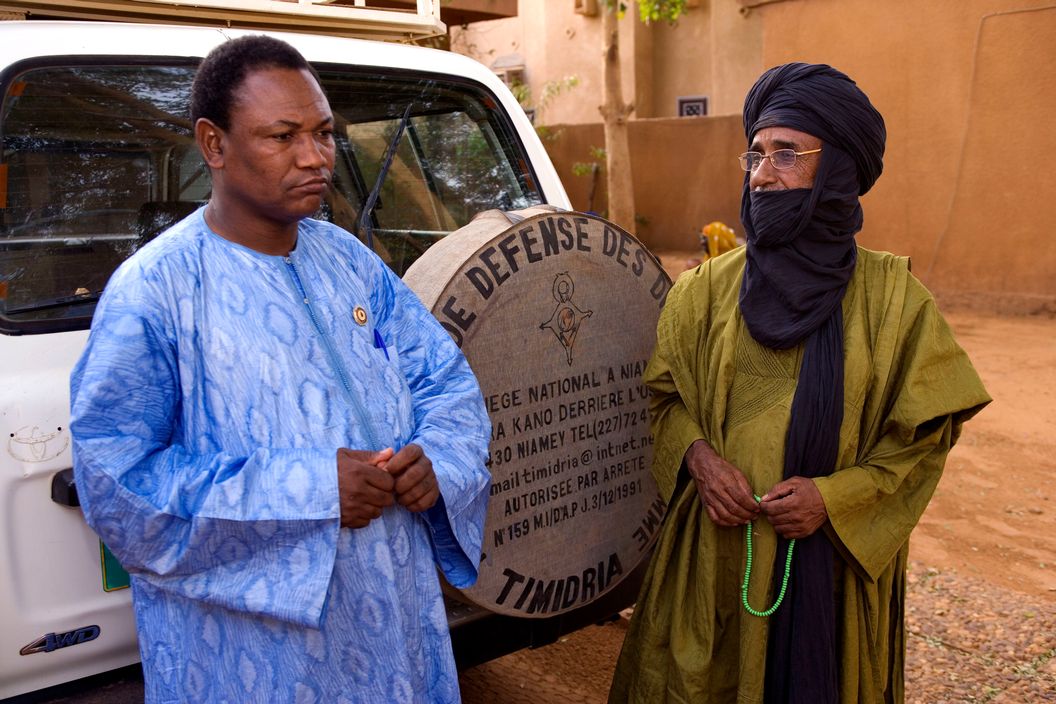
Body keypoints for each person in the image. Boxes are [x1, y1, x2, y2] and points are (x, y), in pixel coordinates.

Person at [70, 36, 491, 703]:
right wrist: (311, 489)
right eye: (282, 136)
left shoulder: (350, 262)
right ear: (214, 145)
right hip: (252, 660)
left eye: (323, 133)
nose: (314, 157)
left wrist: (437, 456)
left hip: (394, 627)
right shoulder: (155, 291)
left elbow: (445, 382)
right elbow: (117, 483)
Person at [608, 63, 990, 704]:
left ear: (837, 168)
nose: (761, 175)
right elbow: (665, 397)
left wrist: (835, 499)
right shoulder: (705, 292)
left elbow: (923, 436)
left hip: (831, 574)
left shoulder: (896, 302)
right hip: (714, 558)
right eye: (755, 154)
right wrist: (699, 461)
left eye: (786, 154)